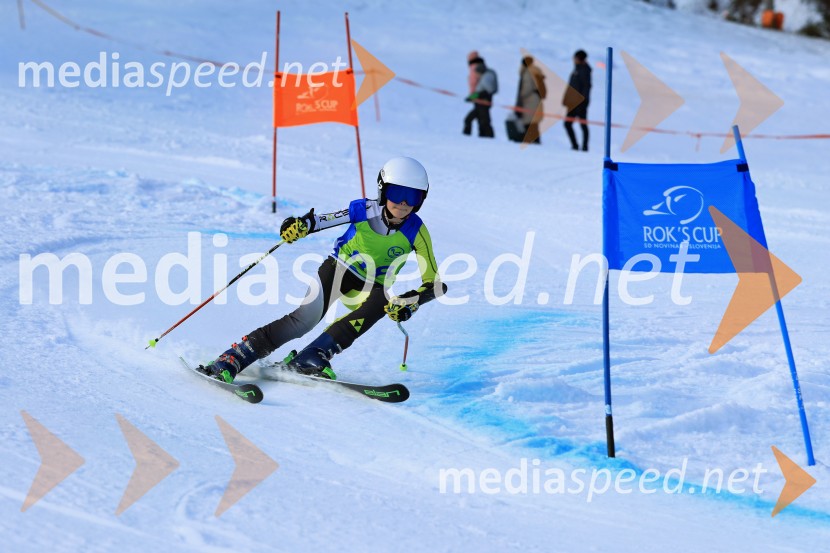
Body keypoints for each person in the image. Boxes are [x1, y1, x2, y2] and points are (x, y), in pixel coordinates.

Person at [199, 157, 446, 383]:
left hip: (372, 286)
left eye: (412, 197)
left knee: (382, 300)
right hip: (338, 270)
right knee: (303, 321)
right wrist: (300, 225)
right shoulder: (363, 210)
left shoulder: (417, 231)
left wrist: (410, 302)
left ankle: (312, 355)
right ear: (383, 190)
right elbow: (321, 220)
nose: (403, 204)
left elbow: (435, 284)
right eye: (397, 193)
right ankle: (233, 358)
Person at [463, 51, 498, 138]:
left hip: (483, 103)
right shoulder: (483, 78)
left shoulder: (485, 78)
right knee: (481, 122)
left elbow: (483, 92)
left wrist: (472, 96)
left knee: (483, 122)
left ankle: (488, 140)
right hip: (480, 102)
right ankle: (483, 139)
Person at [562, 50, 592, 151]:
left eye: (575, 58)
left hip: (580, 103)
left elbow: (586, 87)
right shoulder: (576, 69)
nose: (573, 60)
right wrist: (566, 99)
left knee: (583, 124)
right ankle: (575, 145)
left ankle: (584, 147)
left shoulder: (585, 71)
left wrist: (583, 102)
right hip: (572, 103)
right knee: (567, 124)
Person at [515, 55, 546, 144]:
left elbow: (526, 88)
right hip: (535, 101)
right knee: (533, 125)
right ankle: (535, 143)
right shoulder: (535, 71)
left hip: (530, 102)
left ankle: (533, 144)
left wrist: (520, 98)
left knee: (529, 125)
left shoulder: (528, 73)